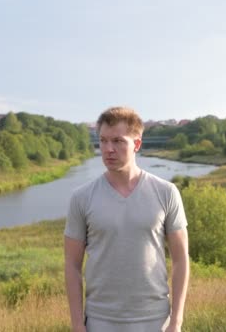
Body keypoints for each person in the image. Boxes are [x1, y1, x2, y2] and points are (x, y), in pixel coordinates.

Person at [64, 106, 190, 332]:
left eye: (118, 141)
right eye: (103, 141)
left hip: (155, 321)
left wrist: (176, 322)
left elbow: (181, 260)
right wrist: (76, 325)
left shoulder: (166, 192)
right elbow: (72, 265)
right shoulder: (81, 198)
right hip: (99, 321)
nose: (108, 149)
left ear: (137, 144)